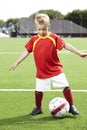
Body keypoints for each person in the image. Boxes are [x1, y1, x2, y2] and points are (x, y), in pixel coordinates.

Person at [9, 13, 87, 116]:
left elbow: (66, 45)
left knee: (66, 86)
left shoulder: (54, 37)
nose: (41, 32)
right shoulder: (34, 40)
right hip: (42, 71)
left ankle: (71, 106)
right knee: (38, 91)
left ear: (48, 26)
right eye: (39, 29)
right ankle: (38, 108)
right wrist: (17, 62)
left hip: (56, 69)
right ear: (36, 28)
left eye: (44, 29)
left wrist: (80, 53)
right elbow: (26, 52)